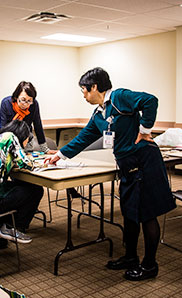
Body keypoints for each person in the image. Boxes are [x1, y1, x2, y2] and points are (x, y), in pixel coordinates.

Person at [46, 67, 175, 281]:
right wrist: (59, 155)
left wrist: (144, 130)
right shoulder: (99, 113)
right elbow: (84, 137)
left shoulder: (120, 97)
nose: (84, 96)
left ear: (95, 87)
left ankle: (150, 265)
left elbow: (150, 100)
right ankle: (131, 257)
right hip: (127, 166)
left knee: (147, 215)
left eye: (85, 91)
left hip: (144, 162)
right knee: (130, 214)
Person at [0, 81, 56, 154]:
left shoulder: (34, 104)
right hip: (9, 142)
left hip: (27, 141)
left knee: (27, 161)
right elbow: (3, 128)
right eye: (23, 100)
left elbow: (38, 125)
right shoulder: (6, 103)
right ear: (16, 96)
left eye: (29, 101)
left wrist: (45, 149)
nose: (25, 104)